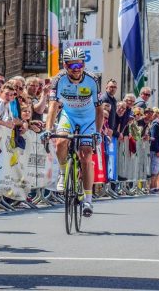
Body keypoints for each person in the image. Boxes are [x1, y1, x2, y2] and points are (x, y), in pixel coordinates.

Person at [45, 47, 102, 217]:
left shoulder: (92, 79)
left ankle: (88, 200)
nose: (76, 69)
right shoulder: (58, 79)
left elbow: (99, 110)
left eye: (80, 65)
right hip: (69, 116)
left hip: (88, 119)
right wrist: (48, 129)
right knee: (61, 141)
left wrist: (97, 132)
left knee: (86, 155)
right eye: (72, 65)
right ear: (65, 65)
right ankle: (63, 173)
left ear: (84, 64)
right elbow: (53, 106)